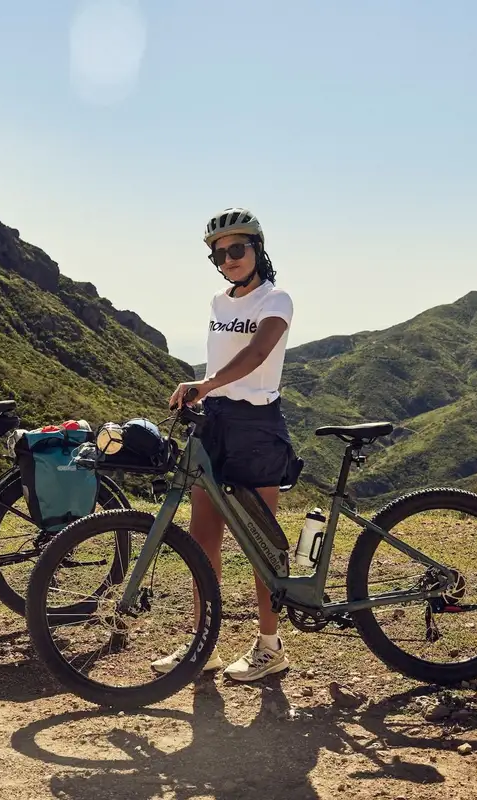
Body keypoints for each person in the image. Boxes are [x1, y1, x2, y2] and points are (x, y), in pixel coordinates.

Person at [160, 207, 298, 682]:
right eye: (219, 254)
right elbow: (221, 360)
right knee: (203, 538)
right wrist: (204, 391)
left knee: (262, 543)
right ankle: (204, 643)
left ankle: (270, 644)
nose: (228, 259)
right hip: (215, 421)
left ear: (257, 249)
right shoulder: (219, 302)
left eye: (236, 249)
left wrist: (206, 383)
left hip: (256, 426)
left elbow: (259, 352)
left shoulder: (276, 299)